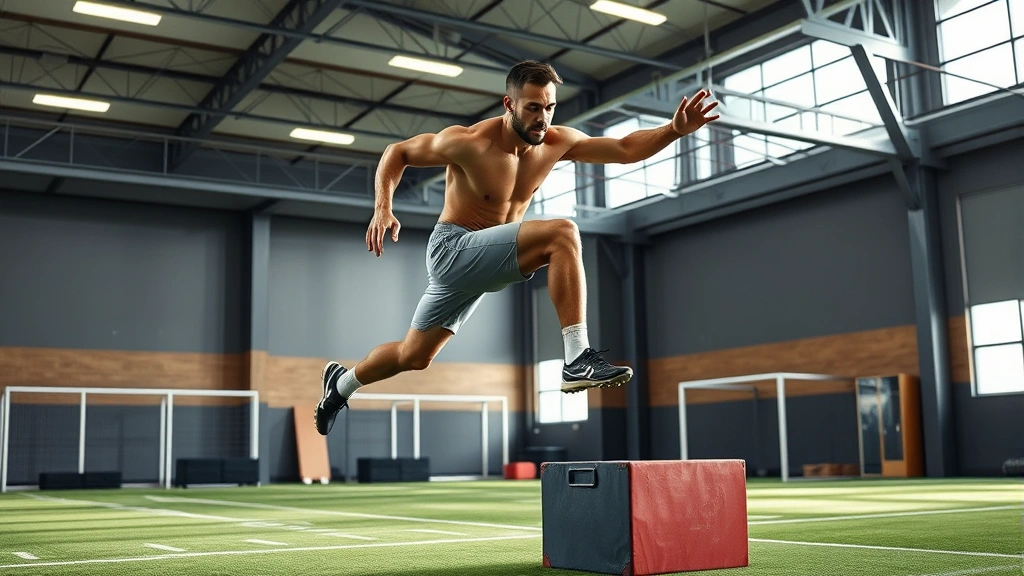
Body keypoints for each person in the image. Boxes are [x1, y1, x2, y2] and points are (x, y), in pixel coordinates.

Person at [314, 60, 719, 435]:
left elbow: (626, 150)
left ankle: (341, 384)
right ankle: (577, 358)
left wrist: (674, 130)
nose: (542, 118)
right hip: (453, 248)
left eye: (549, 108)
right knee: (562, 233)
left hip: (485, 262)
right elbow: (396, 152)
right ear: (509, 104)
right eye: (532, 108)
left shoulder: (558, 142)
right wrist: (383, 208)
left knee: (413, 356)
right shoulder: (470, 141)